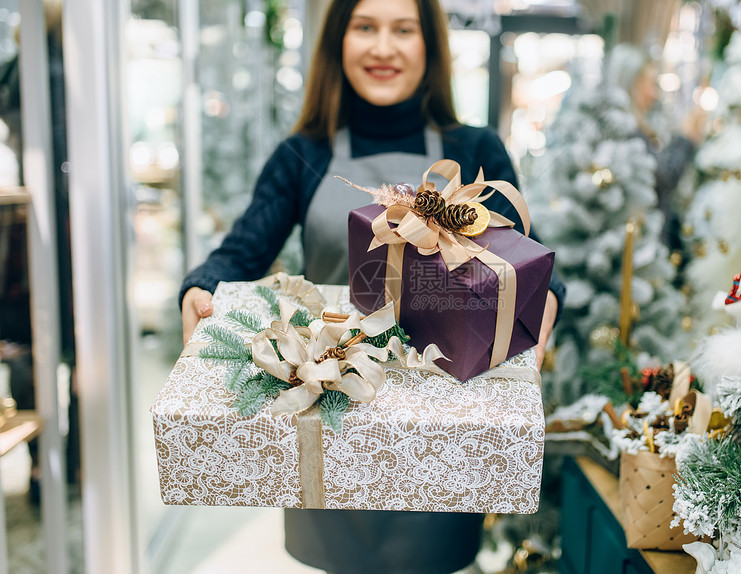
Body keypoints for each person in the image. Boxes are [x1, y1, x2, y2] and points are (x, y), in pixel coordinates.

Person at [179, 0, 566, 572]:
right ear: (338, 41)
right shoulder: (302, 155)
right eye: (365, 27)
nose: (383, 47)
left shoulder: (475, 150)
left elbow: (528, 265)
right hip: (330, 417)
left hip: (445, 429)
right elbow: (242, 249)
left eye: (402, 30)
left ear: (429, 47)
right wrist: (201, 286)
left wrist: (542, 302)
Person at [605, 43, 706, 253]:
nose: (654, 94)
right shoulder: (627, 134)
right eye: (649, 84)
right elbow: (662, 177)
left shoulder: (639, 128)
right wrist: (685, 138)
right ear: (631, 85)